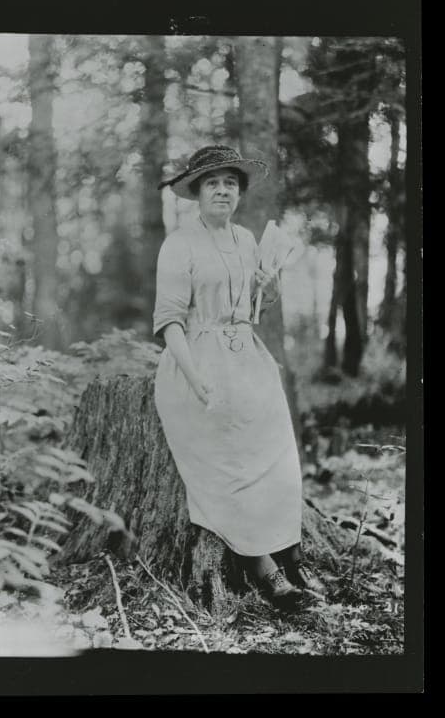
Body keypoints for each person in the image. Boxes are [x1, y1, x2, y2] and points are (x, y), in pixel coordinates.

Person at [152, 145, 324, 605]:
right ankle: (264, 571)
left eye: (231, 183)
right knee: (230, 461)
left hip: (246, 357)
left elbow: (251, 312)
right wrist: (194, 378)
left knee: (277, 454)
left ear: (239, 192)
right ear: (197, 193)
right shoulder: (179, 244)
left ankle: (291, 557)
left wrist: (268, 291)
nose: (223, 191)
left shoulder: (246, 240)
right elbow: (169, 321)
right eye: (213, 183)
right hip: (197, 363)